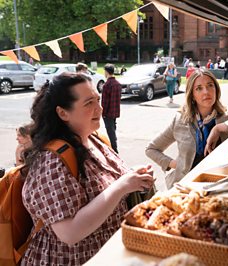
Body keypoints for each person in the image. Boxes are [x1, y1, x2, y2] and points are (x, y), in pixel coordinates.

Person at [21, 72, 154, 265]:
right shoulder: (51, 162)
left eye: (98, 99)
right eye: (88, 103)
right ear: (63, 113)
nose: (99, 108)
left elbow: (105, 186)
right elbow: (69, 233)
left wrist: (134, 177)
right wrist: (123, 186)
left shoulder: (93, 139)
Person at [145, 68, 228, 189]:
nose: (206, 92)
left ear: (216, 89)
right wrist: (176, 164)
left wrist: (220, 127)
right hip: (185, 186)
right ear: (192, 95)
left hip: (221, 184)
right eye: (199, 88)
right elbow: (151, 149)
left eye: (210, 85)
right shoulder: (180, 120)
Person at [102, 64, 122, 153]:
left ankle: (114, 149)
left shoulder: (107, 85)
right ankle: (114, 145)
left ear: (106, 72)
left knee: (110, 131)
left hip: (108, 112)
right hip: (115, 111)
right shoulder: (117, 84)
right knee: (113, 128)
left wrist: (103, 112)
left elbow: (105, 102)